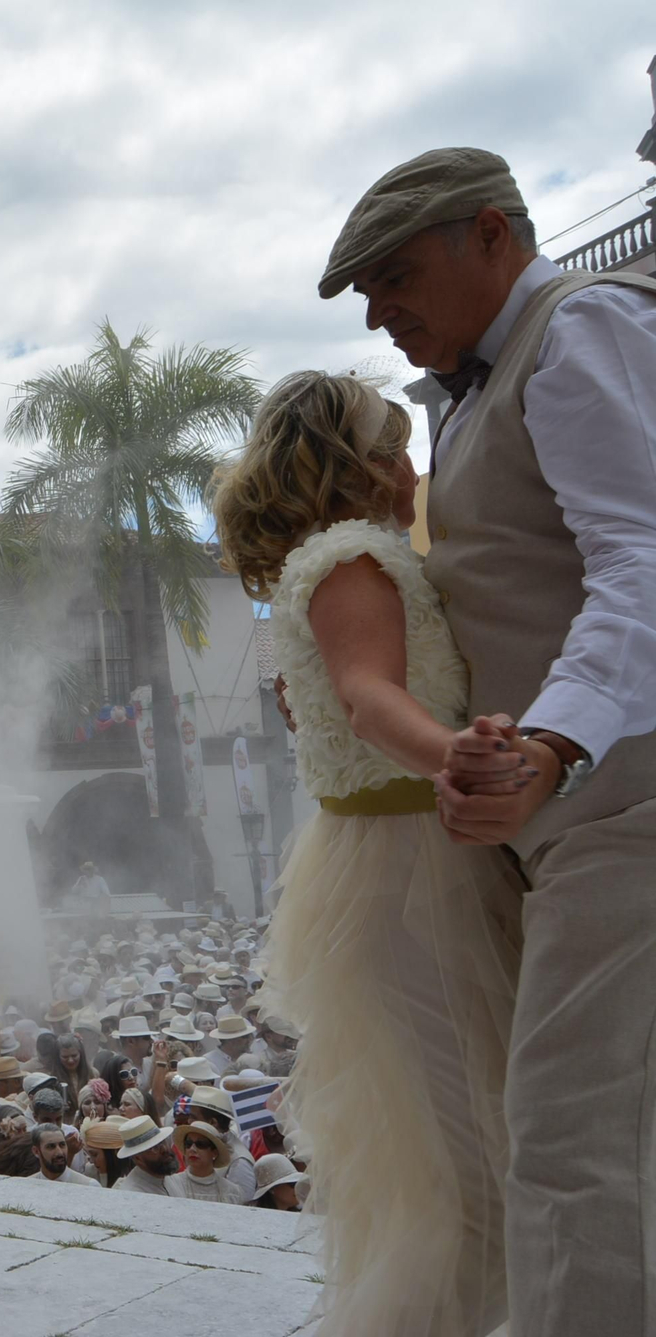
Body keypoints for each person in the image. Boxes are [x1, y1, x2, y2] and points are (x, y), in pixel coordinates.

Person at [322, 148, 656, 1337]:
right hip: (578, 821)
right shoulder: (488, 380)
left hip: (621, 810)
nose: (378, 309)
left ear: (491, 236)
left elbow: (639, 562)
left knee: (566, 1142)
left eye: (395, 274)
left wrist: (553, 746)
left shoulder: (577, 333)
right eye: (364, 293)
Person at [214, 362, 527, 1336]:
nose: (411, 471)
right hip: (408, 871)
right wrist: (456, 756)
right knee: (476, 1161)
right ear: (362, 466)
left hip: (385, 862)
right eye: (398, 449)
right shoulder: (354, 554)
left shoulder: (336, 559)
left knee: (462, 1155)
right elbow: (366, 692)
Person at [167, 1121, 245, 1205]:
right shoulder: (171, 1184)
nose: (192, 1149)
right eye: (188, 1144)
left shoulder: (233, 1193)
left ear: (214, 1152)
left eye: (201, 1144)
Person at [30, 1125, 98, 1187]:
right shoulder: (26, 1185)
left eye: (62, 1145)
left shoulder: (88, 1186)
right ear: (36, 1151)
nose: (59, 1152)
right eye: (51, 1146)